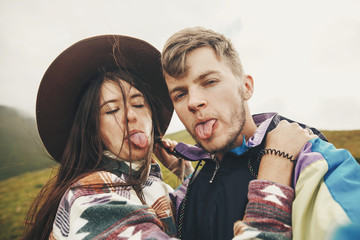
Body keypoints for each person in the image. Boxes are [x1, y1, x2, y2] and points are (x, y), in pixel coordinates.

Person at [23, 34, 309, 240]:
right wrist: (274, 172)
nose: (130, 116)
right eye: (111, 110)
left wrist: (185, 173)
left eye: (138, 103)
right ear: (92, 132)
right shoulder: (92, 197)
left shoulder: (151, 187)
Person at [161, 26, 360, 240]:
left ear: (246, 87)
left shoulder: (312, 161)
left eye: (209, 82)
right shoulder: (188, 189)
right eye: (180, 94)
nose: (193, 102)